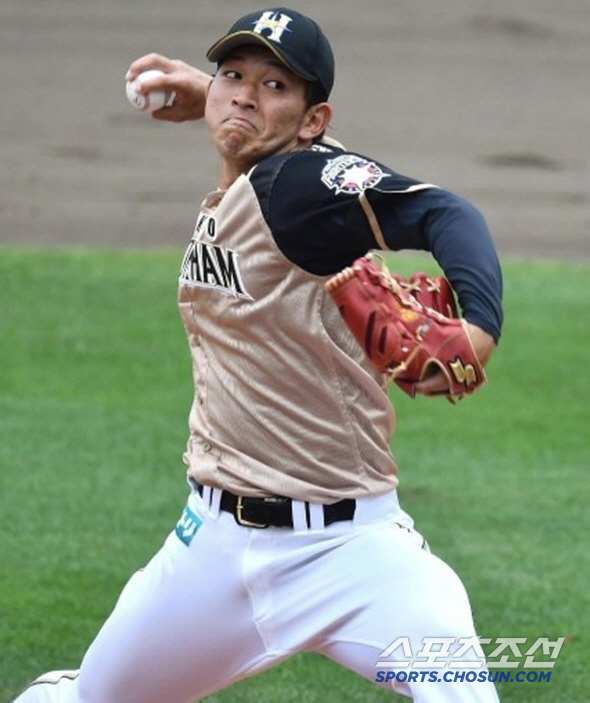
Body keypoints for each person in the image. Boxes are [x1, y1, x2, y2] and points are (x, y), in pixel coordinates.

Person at [14, 8, 503, 703]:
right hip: (213, 549)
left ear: (314, 119)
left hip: (354, 554)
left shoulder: (296, 189)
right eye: (233, 75)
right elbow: (271, 137)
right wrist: (213, 101)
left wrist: (479, 324)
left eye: (275, 85)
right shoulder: (257, 178)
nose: (245, 92)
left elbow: (446, 213)